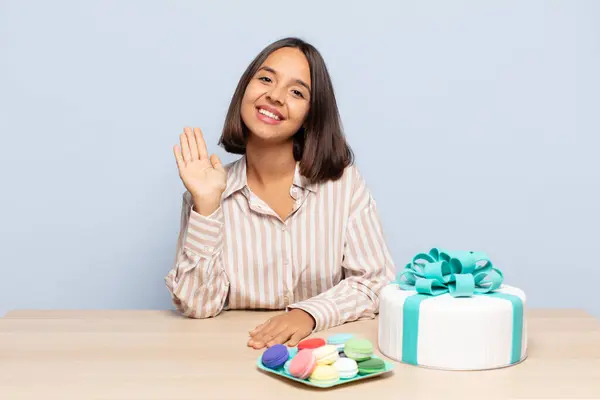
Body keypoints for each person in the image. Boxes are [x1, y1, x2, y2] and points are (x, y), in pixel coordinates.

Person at [165, 37, 395, 350]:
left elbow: (376, 281)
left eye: (297, 92)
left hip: (322, 355)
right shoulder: (208, 192)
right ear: (245, 89)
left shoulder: (344, 186)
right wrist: (206, 206)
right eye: (265, 79)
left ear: (311, 115)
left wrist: (309, 314)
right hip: (234, 357)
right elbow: (198, 305)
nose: (274, 96)